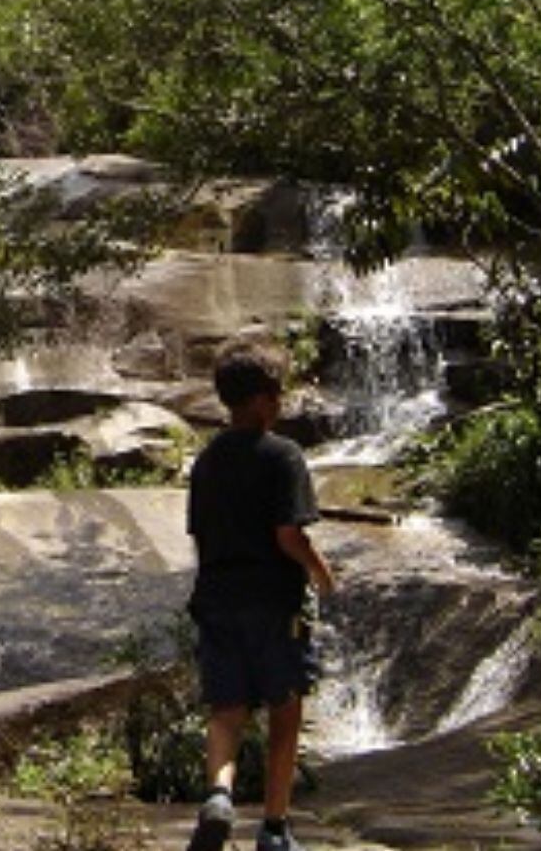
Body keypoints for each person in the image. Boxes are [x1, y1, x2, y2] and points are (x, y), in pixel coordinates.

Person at [183, 339, 337, 851]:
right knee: (284, 706)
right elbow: (288, 536)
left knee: (227, 710)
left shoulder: (206, 463)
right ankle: (274, 827)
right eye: (276, 394)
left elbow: (200, 536)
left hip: (217, 600)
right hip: (274, 603)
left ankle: (219, 796)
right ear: (262, 400)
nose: (280, 403)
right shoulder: (283, 456)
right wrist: (320, 572)